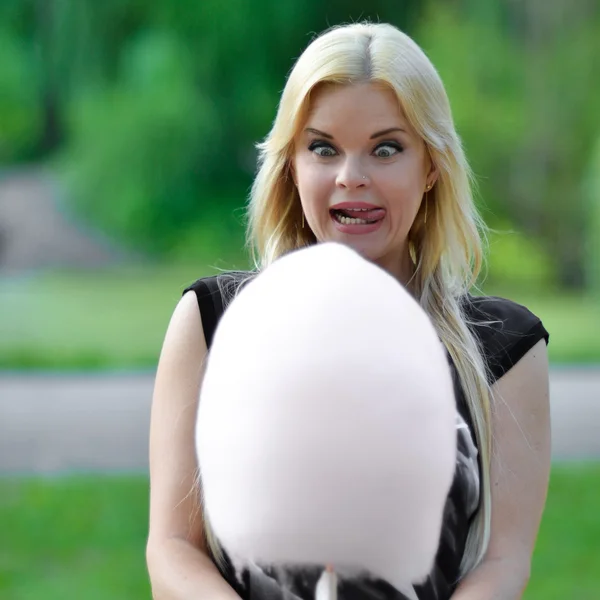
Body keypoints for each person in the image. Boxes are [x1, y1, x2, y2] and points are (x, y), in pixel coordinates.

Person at [145, 22, 551, 600]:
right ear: (291, 164)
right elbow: (172, 548)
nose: (350, 177)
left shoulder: (504, 350)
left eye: (386, 149)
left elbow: (504, 561)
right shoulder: (212, 323)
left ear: (431, 166)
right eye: (323, 148)